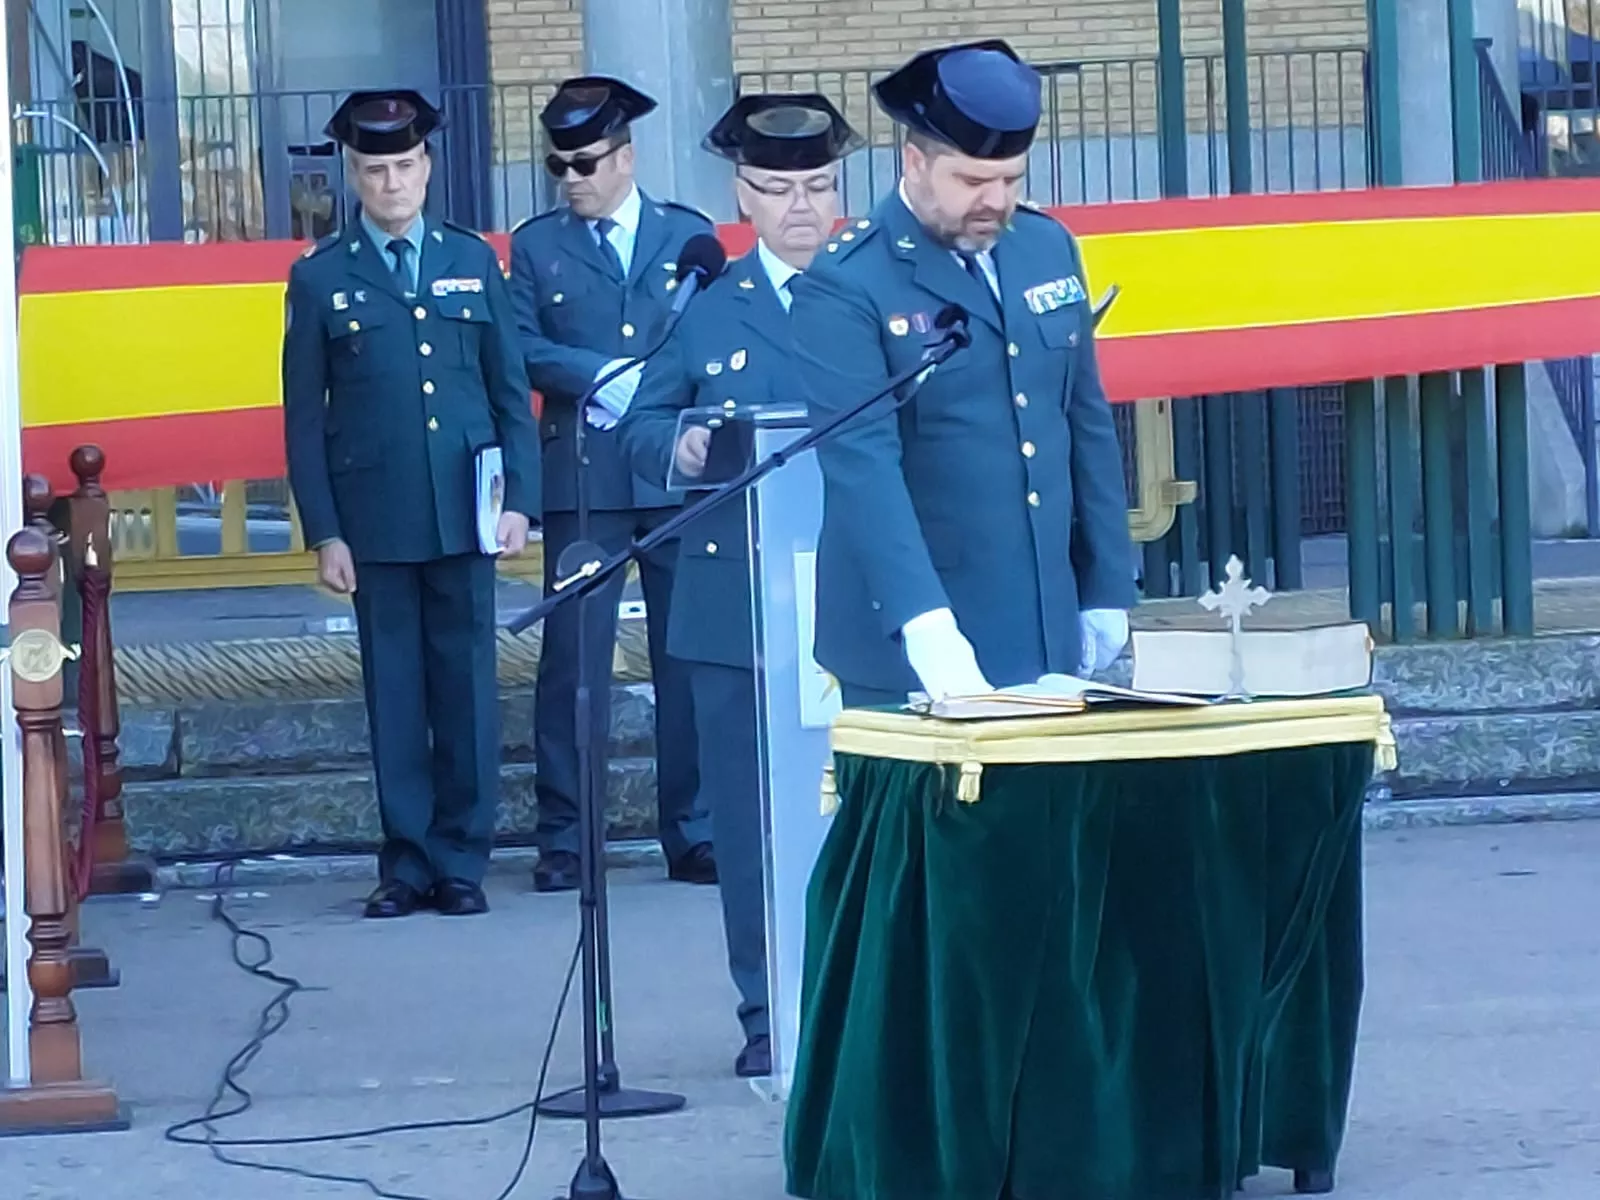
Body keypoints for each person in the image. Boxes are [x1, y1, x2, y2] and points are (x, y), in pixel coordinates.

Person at [619, 93, 863, 1078]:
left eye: (818, 187)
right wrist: (676, 446)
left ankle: (865, 998)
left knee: (864, 806)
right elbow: (636, 429)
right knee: (752, 824)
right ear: (740, 193)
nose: (801, 208)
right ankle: (767, 1009)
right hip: (734, 609)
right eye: (777, 189)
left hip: (858, 597)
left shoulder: (872, 292)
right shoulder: (708, 309)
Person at [789, 40, 1138, 706]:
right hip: (912, 631)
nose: (994, 201)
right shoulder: (848, 280)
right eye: (972, 182)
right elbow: (862, 465)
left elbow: (1083, 417)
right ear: (915, 163)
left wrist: (1105, 586)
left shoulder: (1045, 247)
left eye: (1010, 180)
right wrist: (924, 626)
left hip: (1042, 615)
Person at [281, 89, 541, 919]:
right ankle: (407, 861)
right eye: (374, 169)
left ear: (427, 165)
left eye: (404, 165)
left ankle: (462, 859)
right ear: (353, 176)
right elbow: (304, 420)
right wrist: (325, 531)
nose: (392, 183)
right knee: (394, 692)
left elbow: (510, 394)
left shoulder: (473, 261)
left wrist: (520, 502)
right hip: (378, 519)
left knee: (466, 688)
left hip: (466, 511)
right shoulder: (321, 277)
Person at [508, 76, 716, 893]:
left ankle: (692, 830)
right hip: (584, 477)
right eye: (560, 163)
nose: (572, 177)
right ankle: (566, 836)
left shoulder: (685, 236)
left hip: (670, 474)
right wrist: (597, 374)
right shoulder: (537, 246)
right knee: (573, 666)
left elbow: (708, 336)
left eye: (587, 161)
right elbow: (518, 342)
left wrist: (660, 393)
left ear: (626, 158)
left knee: (686, 660)